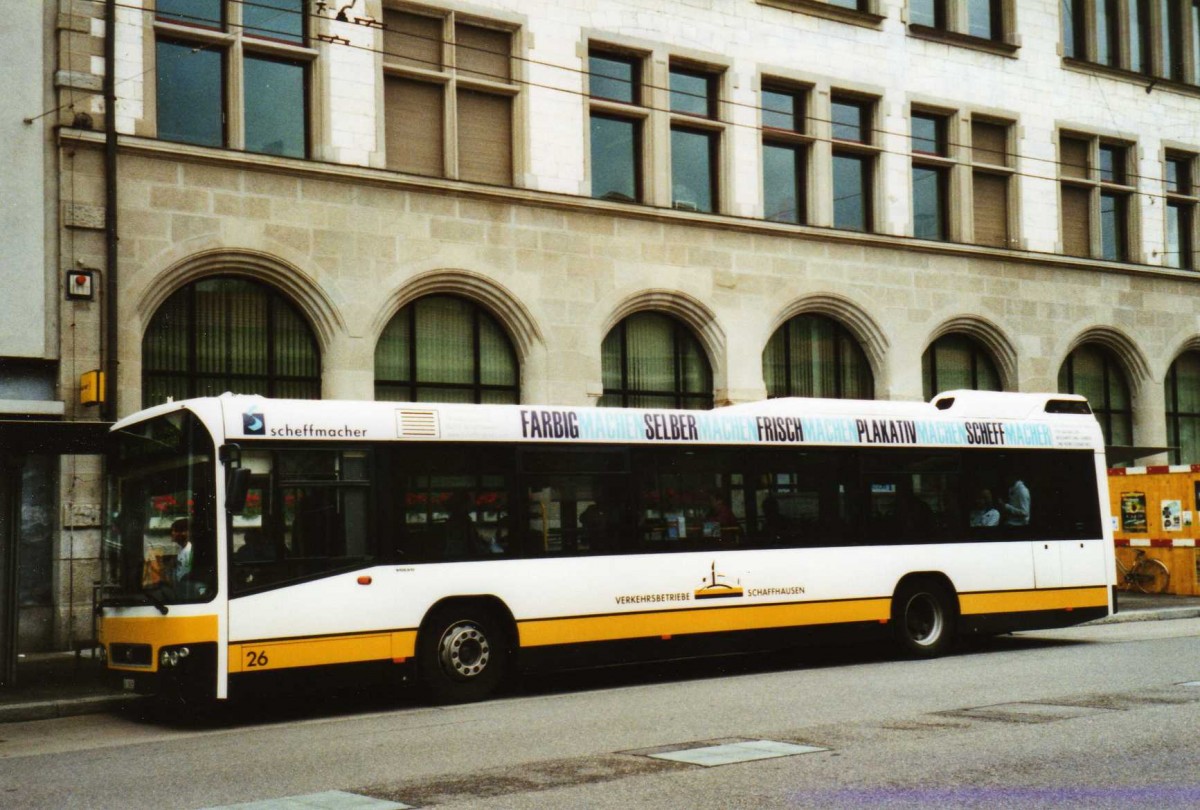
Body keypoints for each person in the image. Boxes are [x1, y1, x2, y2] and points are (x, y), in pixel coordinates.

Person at [170, 518, 193, 585]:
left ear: (185, 533)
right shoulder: (180, 548)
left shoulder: (189, 551)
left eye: (176, 530)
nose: (172, 533)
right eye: (172, 531)